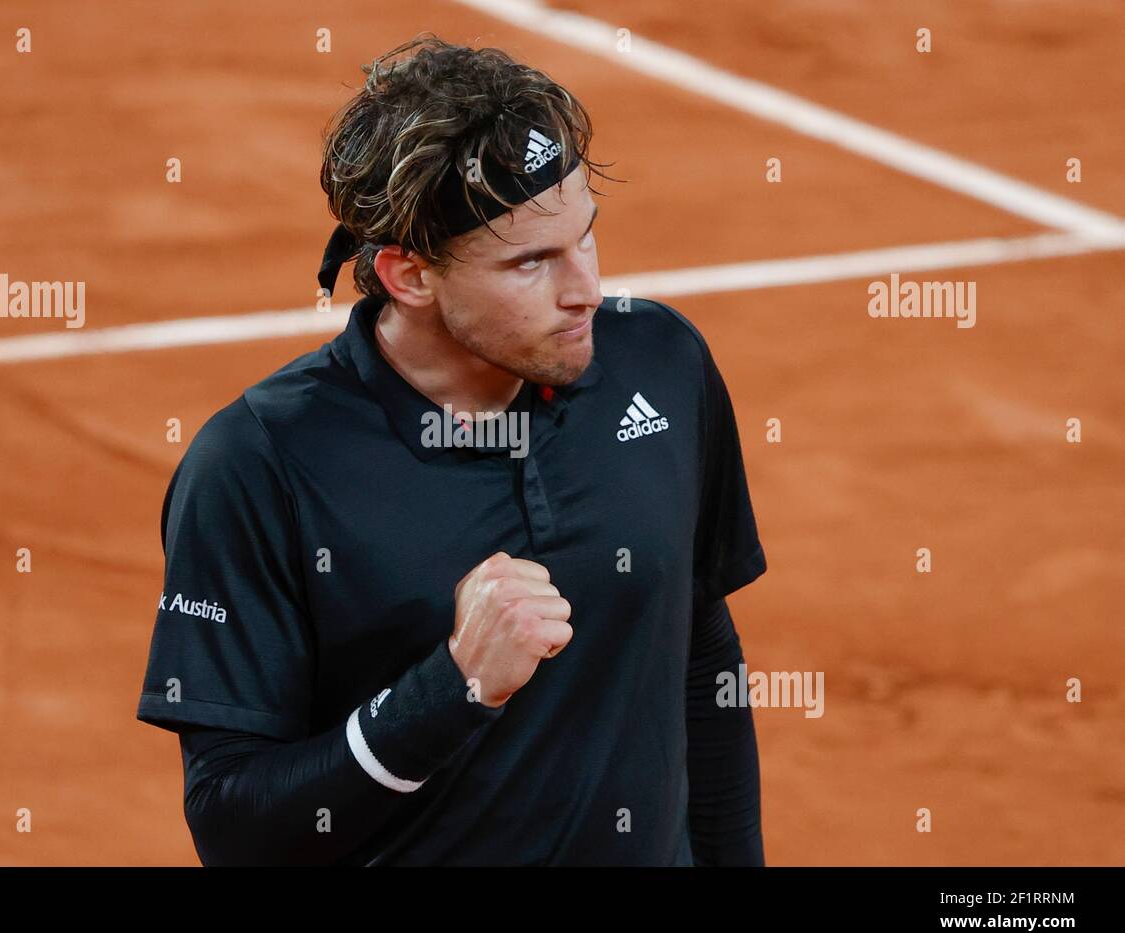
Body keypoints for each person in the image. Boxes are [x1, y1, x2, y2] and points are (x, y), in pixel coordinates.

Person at [136, 34, 767, 866]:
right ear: (408, 275)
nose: (586, 291)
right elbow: (235, 826)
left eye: (586, 238)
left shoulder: (660, 365)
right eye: (532, 262)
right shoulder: (261, 465)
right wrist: (452, 688)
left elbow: (699, 657)